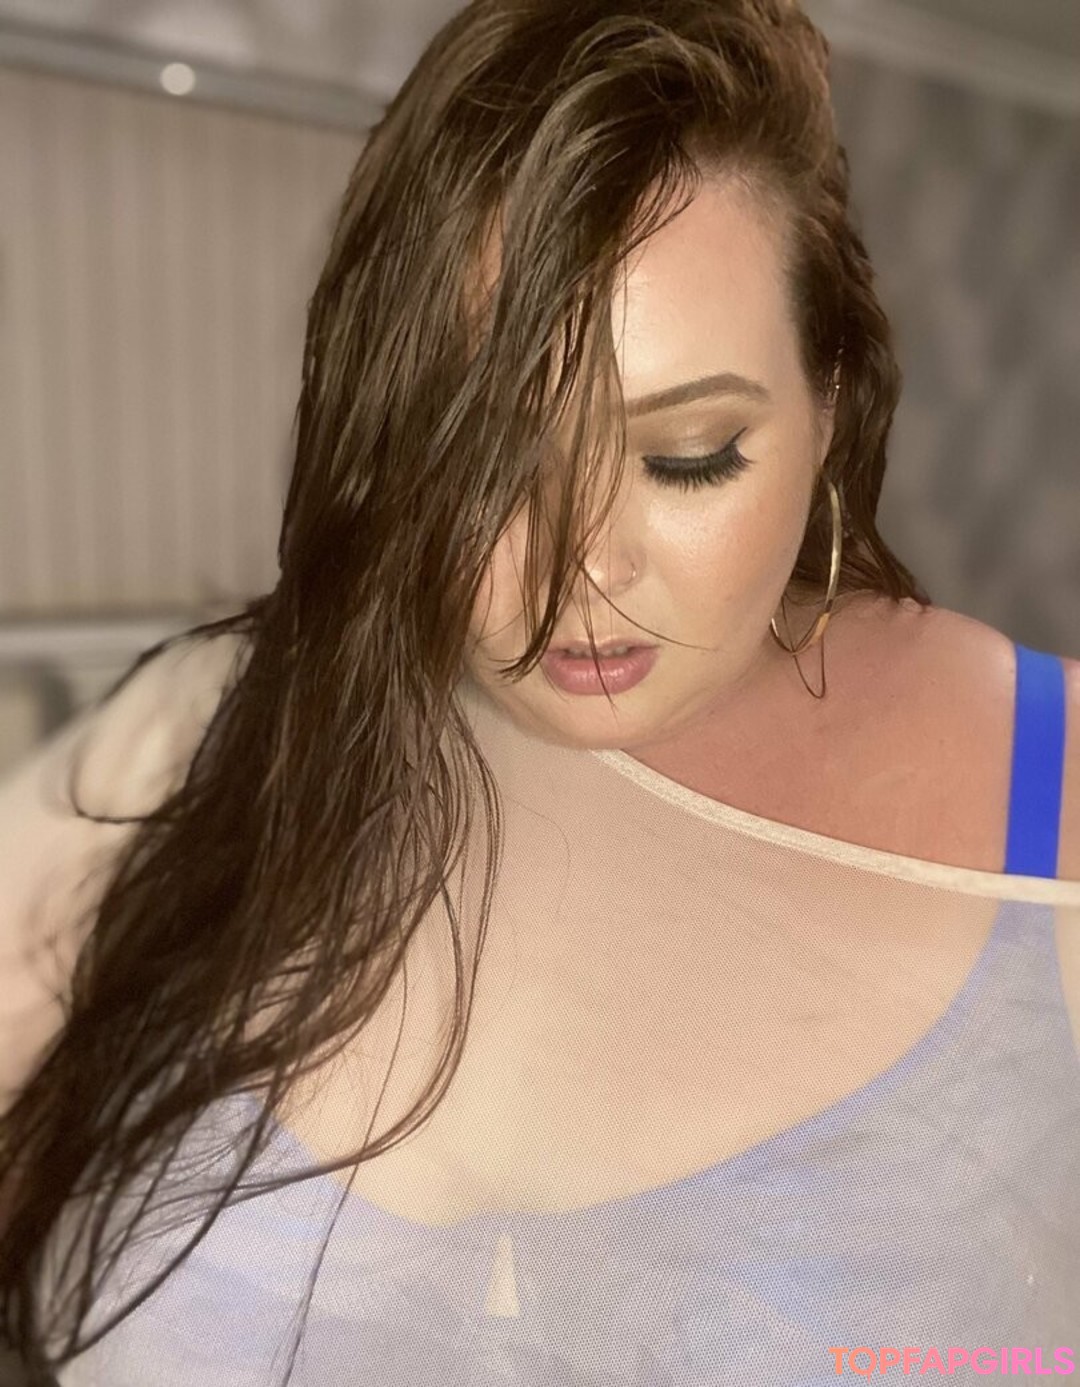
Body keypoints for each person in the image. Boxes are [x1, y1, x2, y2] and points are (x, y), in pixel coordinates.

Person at [1, 0, 1078, 1382]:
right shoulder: (212, 724)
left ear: (830, 403)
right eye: (481, 464)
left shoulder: (1055, 787)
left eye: (687, 456)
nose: (580, 572)